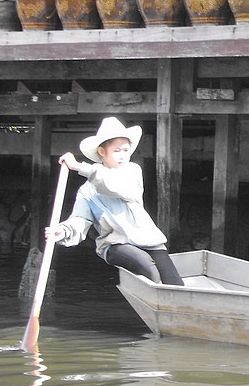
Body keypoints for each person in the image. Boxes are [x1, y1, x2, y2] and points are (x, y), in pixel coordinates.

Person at [46, 117, 184, 286]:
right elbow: (81, 219)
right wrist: (63, 231)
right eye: (117, 151)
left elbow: (113, 185)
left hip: (147, 240)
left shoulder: (132, 171)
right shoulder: (87, 190)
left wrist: (79, 167)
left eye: (126, 150)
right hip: (115, 244)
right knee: (148, 268)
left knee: (176, 284)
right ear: (102, 152)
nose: (123, 156)